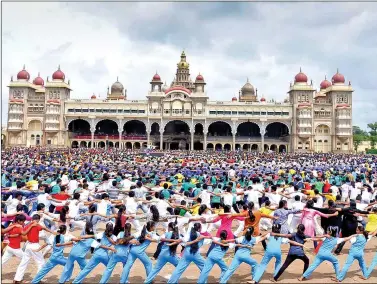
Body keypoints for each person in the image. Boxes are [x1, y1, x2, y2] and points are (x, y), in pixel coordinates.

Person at [13, 214, 56, 284]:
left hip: (28, 245)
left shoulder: (28, 225)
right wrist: (52, 232)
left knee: (23, 262)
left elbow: (23, 233)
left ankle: (17, 278)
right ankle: (39, 279)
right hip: (35, 245)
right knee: (41, 262)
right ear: (38, 219)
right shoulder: (36, 224)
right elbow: (44, 228)